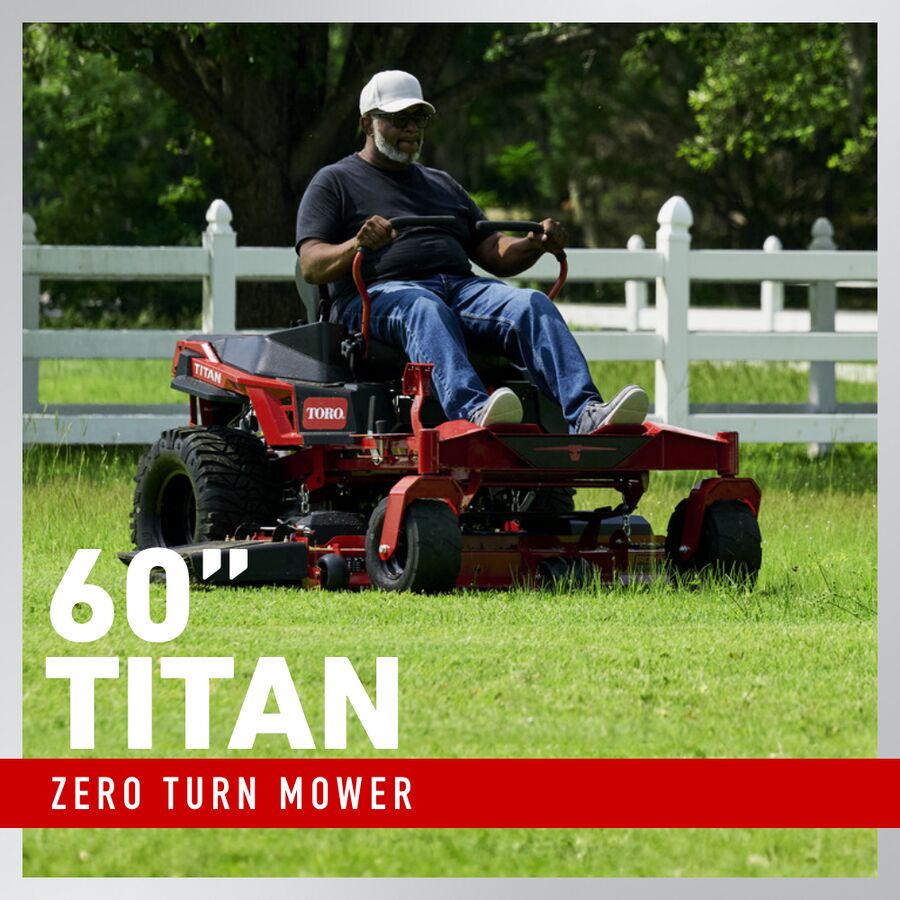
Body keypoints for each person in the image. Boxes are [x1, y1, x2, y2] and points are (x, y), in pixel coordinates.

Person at [295, 70, 648, 432]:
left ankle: (586, 413)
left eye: (419, 119)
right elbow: (310, 264)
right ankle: (474, 413)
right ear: (367, 123)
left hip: (460, 289)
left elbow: (492, 251)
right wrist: (357, 243)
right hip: (378, 297)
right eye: (399, 120)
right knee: (423, 306)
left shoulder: (440, 183)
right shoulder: (334, 181)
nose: (412, 129)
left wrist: (533, 244)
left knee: (531, 304)